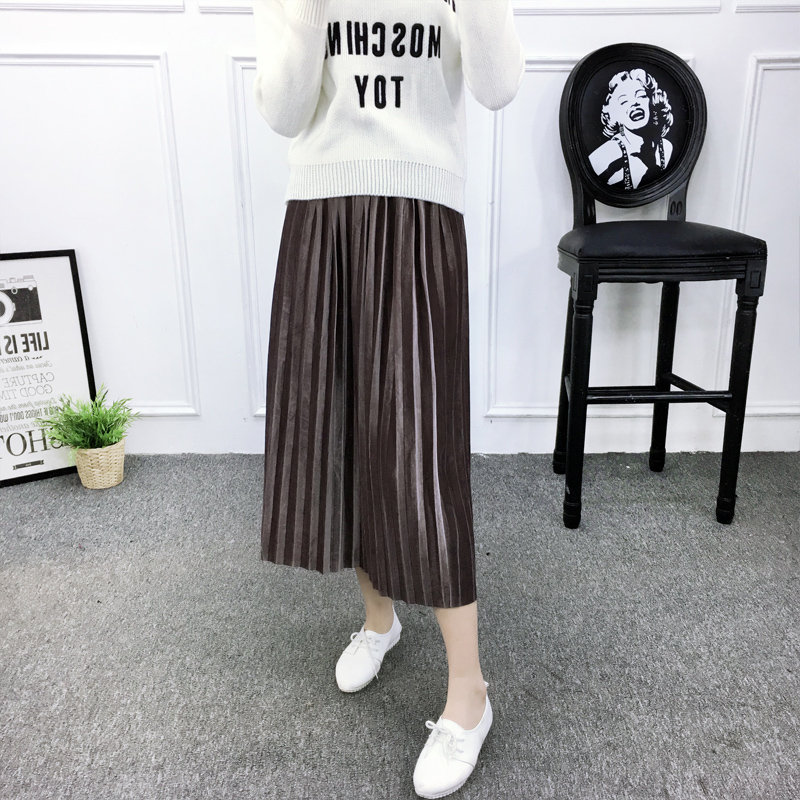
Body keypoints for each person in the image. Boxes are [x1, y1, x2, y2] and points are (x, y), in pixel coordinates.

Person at [252, 1, 524, 796]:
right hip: (320, 213)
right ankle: (380, 620)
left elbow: (500, 86)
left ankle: (470, 694)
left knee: (420, 454)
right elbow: (283, 111)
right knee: (344, 431)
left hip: (419, 213)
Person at [588, 68, 674, 190]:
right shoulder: (604, 155)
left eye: (641, 95)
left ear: (651, 101)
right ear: (613, 113)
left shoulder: (666, 147)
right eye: (624, 101)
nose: (635, 103)